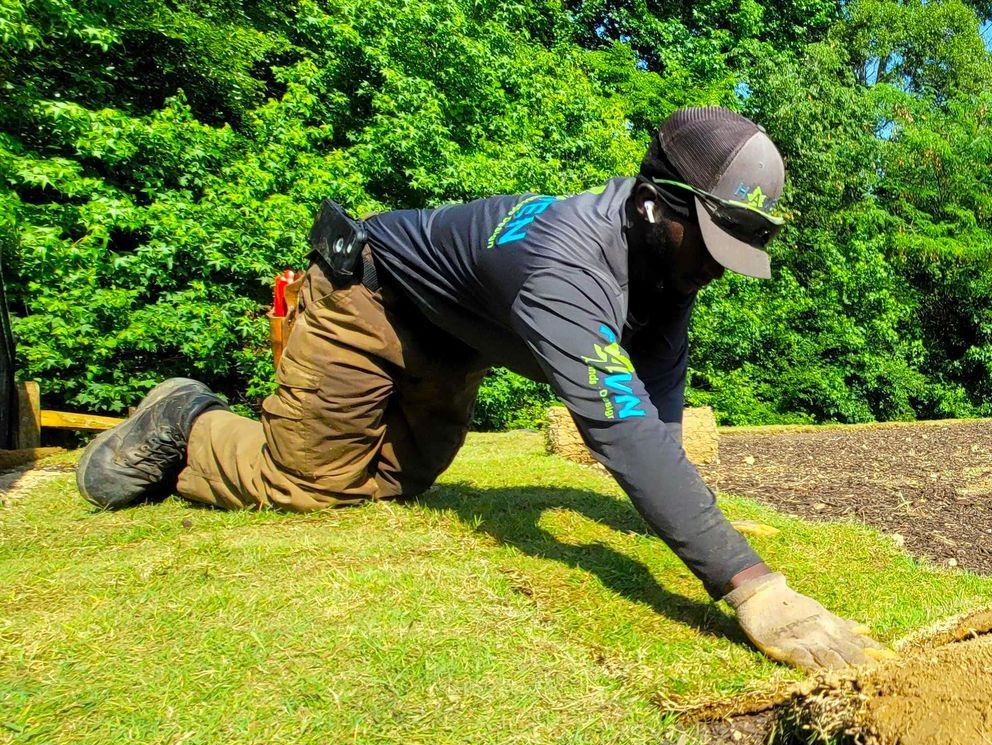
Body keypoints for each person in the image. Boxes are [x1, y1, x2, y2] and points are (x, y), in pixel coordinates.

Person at [74, 107, 891, 673]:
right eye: (711, 240)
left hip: (454, 348)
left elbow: (659, 392)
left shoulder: (668, 269)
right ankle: (189, 416)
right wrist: (751, 585)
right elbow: (623, 427)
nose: (714, 266)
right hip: (374, 301)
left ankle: (265, 436)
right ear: (654, 204)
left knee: (393, 486)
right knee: (310, 485)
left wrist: (680, 507)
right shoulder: (566, 265)